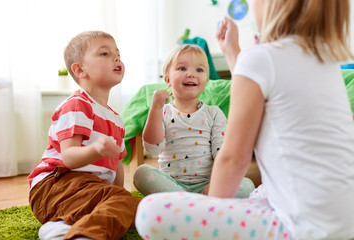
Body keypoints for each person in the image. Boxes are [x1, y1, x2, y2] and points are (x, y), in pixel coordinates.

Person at [135, 0, 354, 239]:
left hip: (301, 228)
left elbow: (232, 159)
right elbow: (258, 83)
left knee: (148, 213)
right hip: (342, 219)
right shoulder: (325, 61)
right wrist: (231, 50)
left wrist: (211, 213)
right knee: (259, 191)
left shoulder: (261, 59)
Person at [27, 31, 141, 240]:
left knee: (134, 206)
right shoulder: (77, 105)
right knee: (125, 203)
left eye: (118, 54)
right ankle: (82, 235)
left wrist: (116, 194)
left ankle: (60, 228)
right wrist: (97, 149)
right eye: (105, 54)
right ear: (80, 70)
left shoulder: (116, 119)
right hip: (55, 185)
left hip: (89, 190)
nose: (117, 58)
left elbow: (117, 167)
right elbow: (69, 157)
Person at [133, 44, 254, 197]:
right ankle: (193, 203)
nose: (191, 74)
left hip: (208, 186)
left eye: (199, 70)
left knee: (247, 185)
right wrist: (155, 108)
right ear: (167, 79)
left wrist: (217, 183)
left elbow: (221, 153)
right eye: (182, 68)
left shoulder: (214, 113)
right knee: (141, 173)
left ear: (206, 81)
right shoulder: (162, 111)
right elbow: (153, 148)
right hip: (171, 184)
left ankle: (186, 204)